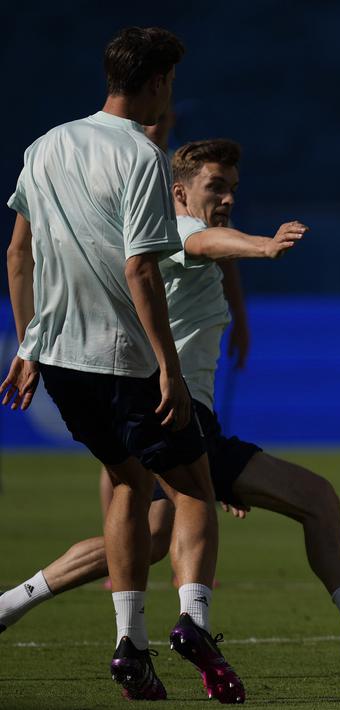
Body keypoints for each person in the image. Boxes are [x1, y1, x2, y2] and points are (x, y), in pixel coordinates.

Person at [0, 139, 340, 670]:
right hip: (172, 412)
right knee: (316, 498)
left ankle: (8, 603)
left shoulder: (160, 235)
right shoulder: (179, 229)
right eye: (217, 186)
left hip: (184, 419)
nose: (229, 196)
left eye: (233, 187)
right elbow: (209, 241)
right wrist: (264, 245)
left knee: (151, 538)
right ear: (180, 191)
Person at [0, 27, 245, 703]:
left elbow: (18, 253)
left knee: (128, 482)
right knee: (194, 489)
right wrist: (166, 366)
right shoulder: (141, 155)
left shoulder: (44, 145)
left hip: (60, 360)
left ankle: (130, 648)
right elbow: (141, 267)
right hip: (122, 357)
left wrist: (27, 345)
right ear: (159, 83)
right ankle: (194, 624)